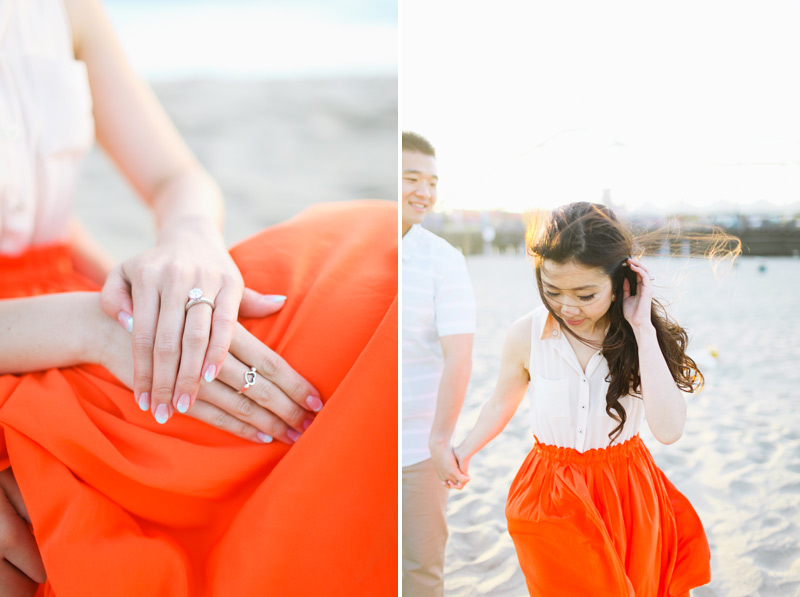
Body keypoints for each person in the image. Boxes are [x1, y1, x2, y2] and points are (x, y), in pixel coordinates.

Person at [0, 1, 397, 594]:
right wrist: (91, 327)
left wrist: (185, 248)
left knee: (376, 261)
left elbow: (172, 178)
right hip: (27, 348)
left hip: (78, 312)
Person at [453, 202, 715, 596]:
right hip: (549, 489)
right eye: (552, 291)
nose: (567, 307)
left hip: (624, 487)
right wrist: (465, 449)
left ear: (619, 284)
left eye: (585, 293)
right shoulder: (525, 333)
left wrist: (641, 327)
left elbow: (669, 430)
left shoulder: (636, 336)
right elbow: (498, 403)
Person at [401, 131, 475, 596]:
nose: (424, 192)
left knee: (421, 570)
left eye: (431, 181)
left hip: (415, 448)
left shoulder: (442, 261)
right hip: (348, 438)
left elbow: (459, 357)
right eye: (410, 178)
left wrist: (440, 439)